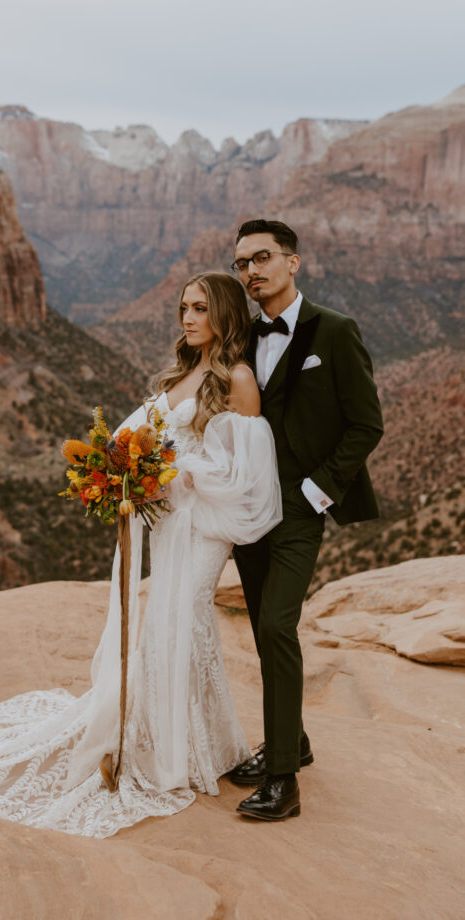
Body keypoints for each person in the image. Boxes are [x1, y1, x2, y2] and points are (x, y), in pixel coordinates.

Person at [0, 272, 282, 838]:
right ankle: (179, 744)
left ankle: (185, 749)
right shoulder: (180, 376)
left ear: (225, 313)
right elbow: (135, 435)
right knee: (164, 624)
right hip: (166, 523)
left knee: (183, 622)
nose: (187, 317)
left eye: (200, 308)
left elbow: (248, 480)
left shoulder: (238, 379)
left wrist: (172, 475)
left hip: (202, 529)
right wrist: (123, 471)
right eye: (183, 307)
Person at [227, 219, 384, 820]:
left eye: (262, 258)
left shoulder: (337, 331)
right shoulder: (240, 334)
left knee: (275, 627)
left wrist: (320, 490)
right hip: (249, 505)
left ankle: (283, 781)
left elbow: (366, 423)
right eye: (242, 263)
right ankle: (292, 738)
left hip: (299, 505)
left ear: (294, 262)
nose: (251, 272)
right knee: (267, 628)